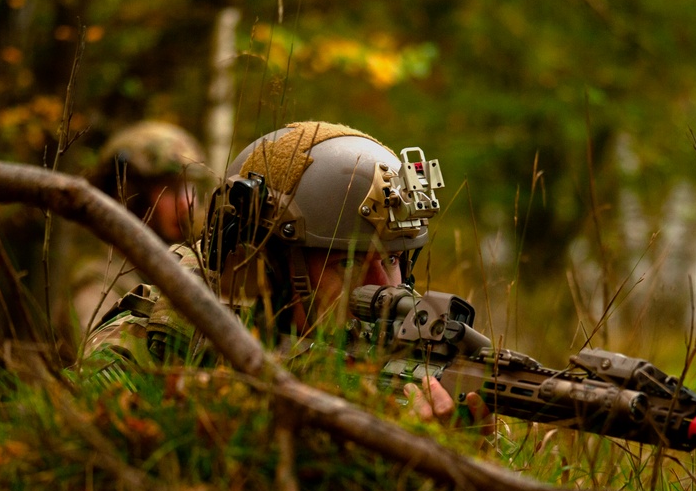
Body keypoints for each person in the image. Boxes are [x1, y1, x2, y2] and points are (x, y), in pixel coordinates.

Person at [78, 120, 489, 427]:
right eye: (346, 263)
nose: (386, 288)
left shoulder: (404, 358)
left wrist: (459, 454)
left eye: (395, 260)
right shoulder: (164, 333)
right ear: (267, 267)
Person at [51, 121, 209, 359]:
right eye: (171, 188)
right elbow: (103, 367)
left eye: (191, 187)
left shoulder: (176, 272)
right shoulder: (98, 286)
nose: (188, 203)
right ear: (129, 195)